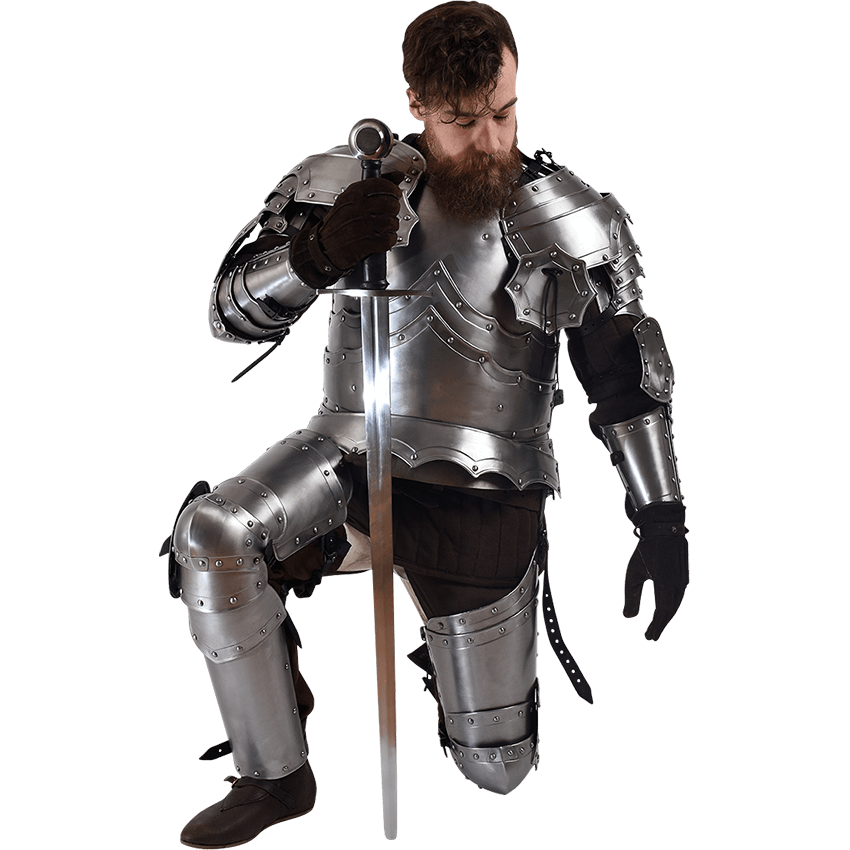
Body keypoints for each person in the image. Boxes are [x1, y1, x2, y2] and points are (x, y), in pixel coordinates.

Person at [162, 3, 689, 846]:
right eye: (461, 121)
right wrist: (315, 257)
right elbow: (228, 316)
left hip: (488, 487)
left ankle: (409, 608)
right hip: (346, 453)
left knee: (497, 770)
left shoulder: (564, 216)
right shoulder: (351, 182)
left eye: (502, 114)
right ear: (415, 103)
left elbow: (626, 383)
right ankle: (275, 777)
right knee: (214, 533)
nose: (487, 140)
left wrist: (660, 515)